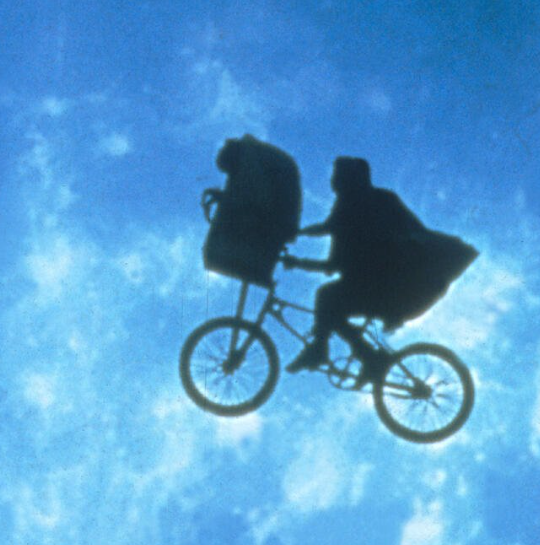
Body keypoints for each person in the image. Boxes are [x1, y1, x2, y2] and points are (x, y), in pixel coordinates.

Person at [283, 157, 478, 373]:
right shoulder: (360, 205)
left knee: (327, 299)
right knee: (330, 303)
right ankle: (359, 357)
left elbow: (333, 255)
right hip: (396, 287)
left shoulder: (360, 208)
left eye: (338, 175)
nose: (333, 181)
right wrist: (298, 244)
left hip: (396, 289)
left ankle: (340, 353)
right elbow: (328, 232)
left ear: (350, 179)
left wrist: (297, 257)